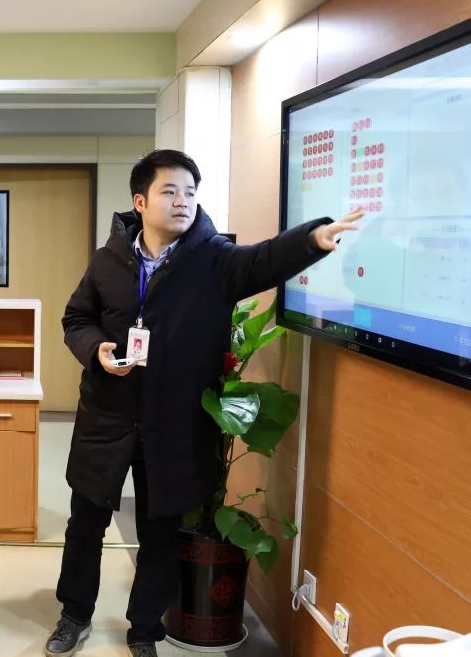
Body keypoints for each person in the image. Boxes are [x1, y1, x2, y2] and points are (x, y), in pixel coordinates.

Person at [43, 149, 362, 657]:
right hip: (107, 415)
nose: (182, 201)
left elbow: (265, 258)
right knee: (86, 522)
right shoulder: (108, 261)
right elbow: (76, 319)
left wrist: (312, 239)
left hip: (176, 422)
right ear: (140, 201)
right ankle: (73, 614)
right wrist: (96, 349)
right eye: (170, 191)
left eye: (190, 193)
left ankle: (144, 629)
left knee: (160, 530)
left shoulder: (215, 259)